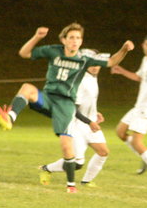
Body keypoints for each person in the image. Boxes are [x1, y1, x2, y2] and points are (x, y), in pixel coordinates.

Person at [0, 24, 134, 193]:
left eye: (78, 38)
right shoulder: (54, 51)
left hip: (66, 105)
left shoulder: (84, 58)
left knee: (67, 147)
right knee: (27, 88)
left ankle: (71, 185)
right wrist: (37, 37)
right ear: (63, 40)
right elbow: (24, 53)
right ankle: (10, 118)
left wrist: (124, 49)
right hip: (50, 98)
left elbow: (111, 61)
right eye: (71, 37)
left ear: (81, 41)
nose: (75, 41)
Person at [39, 51, 111, 187]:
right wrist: (89, 121)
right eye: (92, 64)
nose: (95, 67)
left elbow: (86, 101)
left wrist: (94, 112)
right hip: (78, 125)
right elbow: (72, 108)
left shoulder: (92, 78)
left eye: (97, 64)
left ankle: (86, 181)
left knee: (103, 152)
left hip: (90, 123)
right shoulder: (81, 80)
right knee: (77, 163)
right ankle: (46, 169)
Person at [110, 34, 147, 178]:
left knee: (136, 142)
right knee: (120, 132)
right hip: (139, 106)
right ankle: (146, 157)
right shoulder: (146, 60)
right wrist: (121, 70)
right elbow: (139, 77)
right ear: (143, 45)